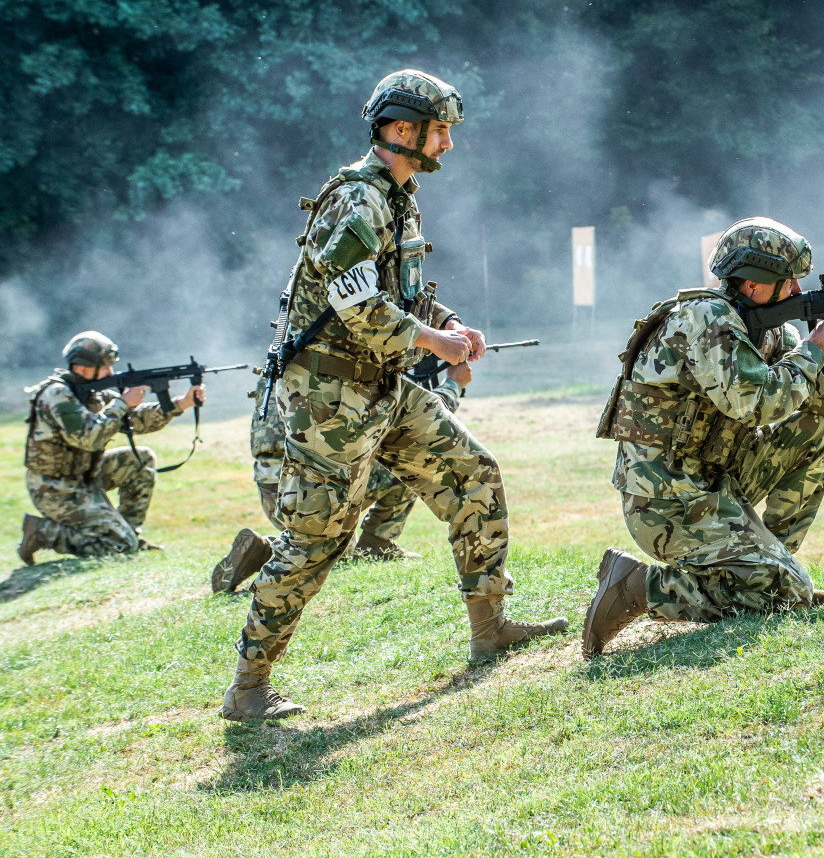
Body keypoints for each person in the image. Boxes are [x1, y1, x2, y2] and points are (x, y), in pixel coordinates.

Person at [217, 69, 566, 722]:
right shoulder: (358, 199)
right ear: (401, 129)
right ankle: (247, 687)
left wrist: (450, 323)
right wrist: (435, 342)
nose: (449, 145)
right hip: (330, 397)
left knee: (473, 473)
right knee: (317, 539)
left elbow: (404, 295)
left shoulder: (398, 199)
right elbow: (356, 305)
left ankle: (490, 627)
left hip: (378, 384)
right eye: (441, 131)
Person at [583, 217, 824, 657]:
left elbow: (820, 402)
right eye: (788, 281)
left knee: (816, 431)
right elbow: (756, 404)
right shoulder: (705, 319)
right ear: (754, 284)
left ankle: (777, 570)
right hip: (665, 501)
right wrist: (814, 349)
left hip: (715, 485)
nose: (797, 291)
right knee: (785, 595)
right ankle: (638, 587)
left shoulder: (769, 328)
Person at [210, 360, 472, 593]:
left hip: (273, 488)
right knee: (412, 457)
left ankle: (264, 549)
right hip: (316, 484)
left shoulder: (284, 358)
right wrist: (453, 384)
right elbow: (419, 424)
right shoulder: (343, 365)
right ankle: (272, 549)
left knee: (328, 547)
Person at [16, 331, 206, 564]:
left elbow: (136, 420)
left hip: (86, 476)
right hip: (56, 488)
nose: (111, 373)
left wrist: (182, 403)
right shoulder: (57, 395)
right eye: (106, 367)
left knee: (142, 459)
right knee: (119, 547)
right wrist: (122, 403)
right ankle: (44, 532)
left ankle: (129, 532)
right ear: (84, 368)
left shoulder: (94, 393)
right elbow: (89, 438)